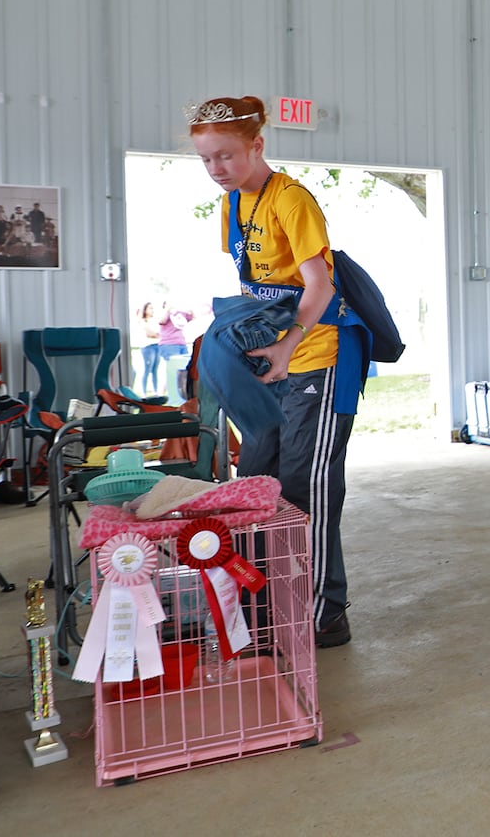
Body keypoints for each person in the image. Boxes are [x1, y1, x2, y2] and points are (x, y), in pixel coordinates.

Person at [190, 95, 357, 648]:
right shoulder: (233, 204)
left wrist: (287, 347)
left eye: (227, 156)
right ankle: (265, 602)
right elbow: (254, 287)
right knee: (257, 483)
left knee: (305, 489)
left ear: (257, 145)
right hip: (273, 362)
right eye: (207, 160)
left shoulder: (292, 200)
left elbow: (320, 285)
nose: (216, 169)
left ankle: (322, 612)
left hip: (319, 359)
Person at [154, 301, 191, 397]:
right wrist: (168, 310)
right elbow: (161, 321)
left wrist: (185, 309)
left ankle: (179, 394)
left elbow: (191, 316)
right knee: (172, 370)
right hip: (169, 344)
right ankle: (162, 394)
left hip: (181, 343)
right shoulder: (165, 314)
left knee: (183, 370)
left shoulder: (180, 314)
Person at [136, 301, 161, 397]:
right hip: (147, 347)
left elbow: (159, 333)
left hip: (156, 345)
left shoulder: (155, 321)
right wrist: (155, 334)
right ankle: (144, 392)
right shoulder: (142, 321)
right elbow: (150, 333)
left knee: (155, 369)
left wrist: (156, 335)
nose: (152, 310)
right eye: (150, 308)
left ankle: (156, 391)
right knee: (147, 368)